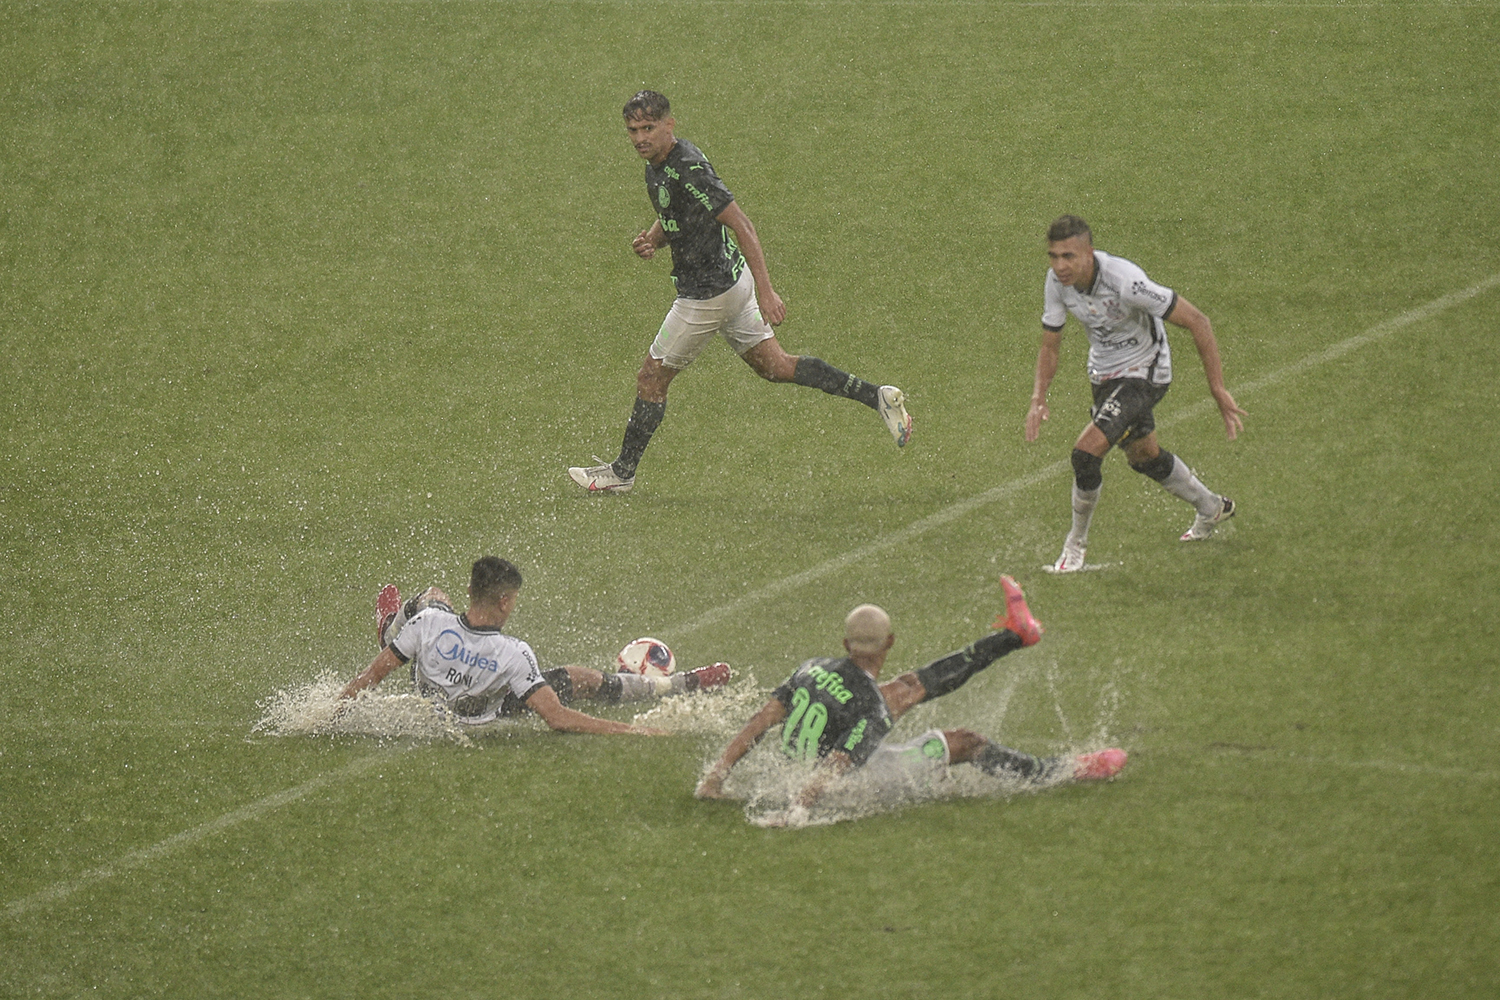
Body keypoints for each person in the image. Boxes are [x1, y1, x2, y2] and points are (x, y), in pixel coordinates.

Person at [568, 90, 912, 494]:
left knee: (651, 378)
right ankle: (877, 397)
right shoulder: (658, 166)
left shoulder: (688, 167)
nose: (640, 138)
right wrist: (654, 239)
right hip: (730, 283)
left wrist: (767, 293)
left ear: (669, 125)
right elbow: (676, 213)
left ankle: (621, 473)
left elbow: (742, 224)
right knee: (776, 367)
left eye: (648, 128)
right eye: (632, 130)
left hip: (706, 296)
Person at [694, 576, 1126, 812]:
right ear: (890, 643)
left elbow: (760, 722)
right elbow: (841, 766)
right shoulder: (872, 707)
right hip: (845, 787)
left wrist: (716, 777)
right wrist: (798, 808)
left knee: (906, 688)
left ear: (846, 644)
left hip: (804, 767)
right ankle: (1068, 770)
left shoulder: (811, 668)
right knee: (966, 743)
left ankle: (1015, 636)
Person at [1024, 215, 1248, 572]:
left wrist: (1217, 389)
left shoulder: (1126, 281)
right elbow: (1050, 346)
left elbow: (1198, 321)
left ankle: (1074, 548)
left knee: (1086, 454)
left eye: (1069, 256)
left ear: (1089, 253)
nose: (1060, 266)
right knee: (1144, 455)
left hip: (1146, 372)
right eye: (1053, 256)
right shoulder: (1057, 283)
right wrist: (1039, 397)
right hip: (1104, 374)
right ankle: (1211, 507)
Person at [340, 556, 727, 734]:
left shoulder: (429, 623)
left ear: (471, 590)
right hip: (481, 714)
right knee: (580, 678)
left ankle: (391, 631)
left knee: (427, 597)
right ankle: (674, 685)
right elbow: (556, 718)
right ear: (505, 601)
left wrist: (331, 713)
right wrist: (629, 731)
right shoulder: (513, 652)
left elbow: (372, 675)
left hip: (428, 696)